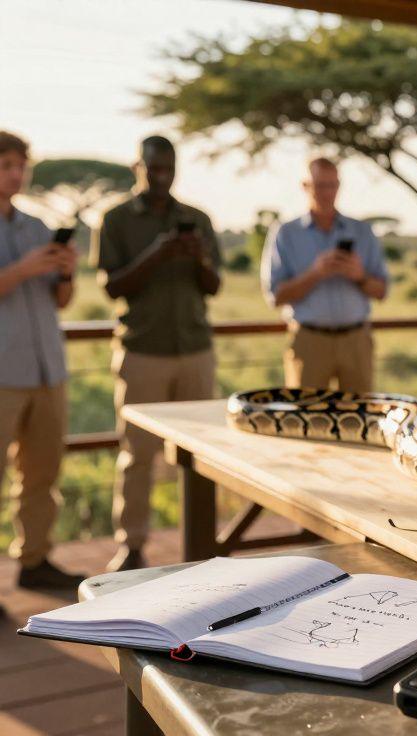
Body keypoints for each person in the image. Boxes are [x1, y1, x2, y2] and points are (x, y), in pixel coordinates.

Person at [94, 136, 222, 572]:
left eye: (169, 168)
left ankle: (205, 543)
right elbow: (111, 286)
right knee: (137, 455)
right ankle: (131, 545)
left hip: (195, 349)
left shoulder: (198, 219)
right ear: (138, 167)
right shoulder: (114, 220)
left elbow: (214, 286)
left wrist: (199, 258)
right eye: (155, 169)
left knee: (205, 454)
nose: (163, 176)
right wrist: (157, 254)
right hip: (143, 350)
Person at [0, 130, 81, 588]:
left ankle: (34, 562)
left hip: (49, 369)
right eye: (6, 164)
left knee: (42, 474)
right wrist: (23, 269)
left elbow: (63, 301)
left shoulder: (36, 226)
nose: (15, 173)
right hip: (3, 373)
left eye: (19, 165)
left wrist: (64, 270)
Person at [262, 158, 389, 392]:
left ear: (339, 185)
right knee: (305, 419)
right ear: (305, 186)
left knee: (359, 418)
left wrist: (359, 276)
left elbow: (382, 291)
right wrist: (315, 273)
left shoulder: (362, 231)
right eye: (319, 185)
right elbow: (275, 296)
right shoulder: (285, 233)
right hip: (309, 340)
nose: (326, 192)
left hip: (356, 340)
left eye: (332, 185)